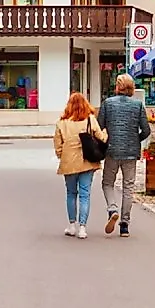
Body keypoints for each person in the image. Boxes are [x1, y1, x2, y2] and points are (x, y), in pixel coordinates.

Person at [97, 74, 151, 237]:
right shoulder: (138, 105)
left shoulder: (108, 103)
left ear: (117, 87)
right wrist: (135, 139)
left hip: (112, 150)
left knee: (108, 183)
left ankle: (112, 209)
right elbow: (146, 130)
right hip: (130, 151)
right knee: (128, 186)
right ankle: (125, 225)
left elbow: (99, 126)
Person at [52, 92, 105, 238]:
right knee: (84, 194)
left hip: (69, 162)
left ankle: (71, 225)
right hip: (87, 161)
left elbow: (58, 145)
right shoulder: (90, 119)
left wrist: (62, 156)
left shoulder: (61, 123)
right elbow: (101, 137)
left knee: (71, 193)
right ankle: (82, 228)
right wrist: (106, 134)